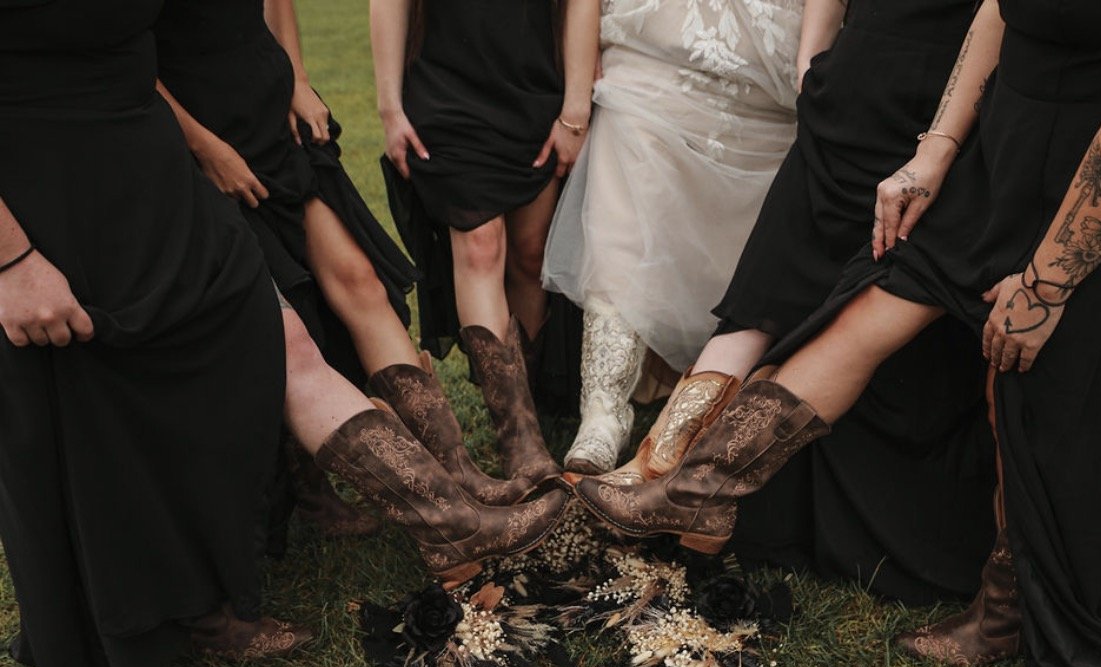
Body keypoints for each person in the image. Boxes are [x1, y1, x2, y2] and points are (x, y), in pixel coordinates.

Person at [573, 0, 1101, 667]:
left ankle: (1002, 611)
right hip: (1006, 136)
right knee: (875, 298)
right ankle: (700, 488)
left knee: (1023, 381)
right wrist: (937, 150)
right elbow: (995, 12)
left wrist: (1048, 282)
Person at [582, 0, 996, 605]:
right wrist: (814, 63)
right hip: (915, 84)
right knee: (790, 285)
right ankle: (671, 477)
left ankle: (663, 474)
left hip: (896, 80)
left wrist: (815, 61)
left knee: (774, 288)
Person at [0, 0, 310, 667]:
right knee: (90, 394)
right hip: (37, 175)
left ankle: (204, 588)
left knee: (230, 319)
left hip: (139, 145)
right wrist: (11, 262)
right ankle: (147, 621)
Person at [155, 0, 548, 527]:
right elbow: (122, 64)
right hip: (197, 130)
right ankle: (319, 496)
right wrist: (204, 148)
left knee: (359, 279)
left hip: (267, 110)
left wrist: (295, 76)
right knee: (285, 319)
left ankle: (456, 474)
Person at [541, 0, 804, 475]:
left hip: (767, 86)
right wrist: (576, 100)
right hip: (649, 58)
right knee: (621, 229)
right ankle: (602, 416)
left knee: (740, 255)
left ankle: (693, 416)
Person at [371, 0, 597, 477]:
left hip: (535, 86)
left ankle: (528, 397)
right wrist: (390, 108)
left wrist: (575, 107)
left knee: (531, 256)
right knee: (480, 244)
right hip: (445, 86)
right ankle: (519, 439)